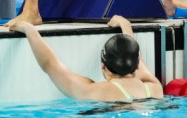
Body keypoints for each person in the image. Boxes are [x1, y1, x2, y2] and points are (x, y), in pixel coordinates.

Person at [9, 15, 163, 101]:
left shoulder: (94, 92)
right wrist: (125, 25)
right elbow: (136, 57)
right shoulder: (154, 89)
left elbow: (50, 65)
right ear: (136, 66)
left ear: (103, 66)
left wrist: (29, 30)